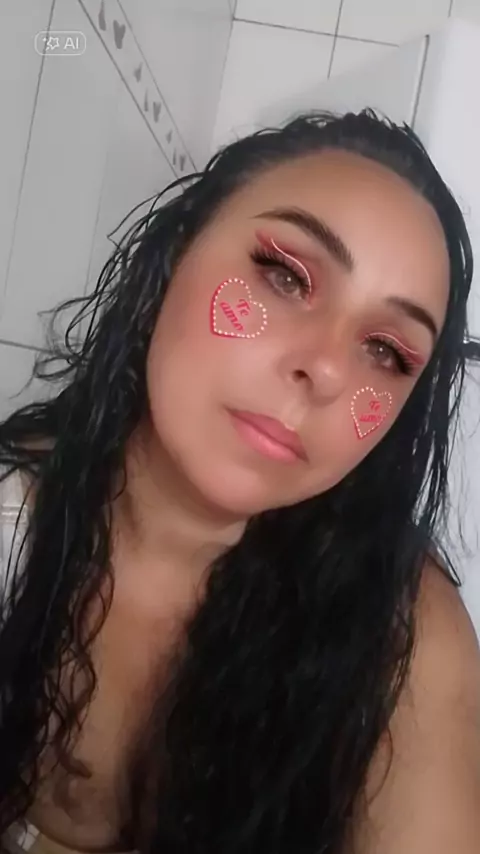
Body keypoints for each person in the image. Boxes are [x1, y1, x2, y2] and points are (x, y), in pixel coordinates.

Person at [0, 109, 479, 854]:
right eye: (286, 276)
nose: (326, 369)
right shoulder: (13, 514)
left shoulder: (404, 638)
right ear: (175, 257)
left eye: (386, 351)